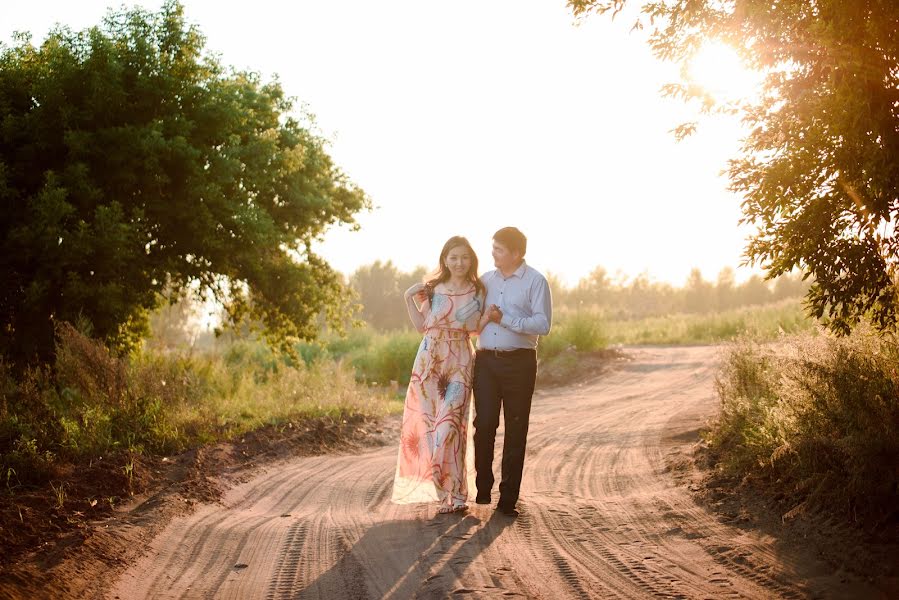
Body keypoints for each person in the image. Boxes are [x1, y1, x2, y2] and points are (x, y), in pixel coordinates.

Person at [391, 236, 491, 514]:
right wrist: (407, 298)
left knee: (450, 427)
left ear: (471, 260)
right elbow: (422, 326)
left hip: (459, 358)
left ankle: (456, 490)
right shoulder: (432, 289)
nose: (459, 263)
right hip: (428, 360)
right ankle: (447, 490)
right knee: (430, 426)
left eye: (465, 257)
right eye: (454, 257)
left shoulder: (478, 289)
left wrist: (488, 318)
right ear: (445, 259)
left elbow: (474, 328)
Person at [473, 227, 552, 516]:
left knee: (516, 429)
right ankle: (482, 487)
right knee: (483, 426)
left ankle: (508, 499)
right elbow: (471, 316)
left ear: (516, 253)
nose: (492, 253)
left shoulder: (536, 281)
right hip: (485, 363)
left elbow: (542, 324)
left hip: (520, 362)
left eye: (499, 249)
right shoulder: (485, 281)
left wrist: (504, 319)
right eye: (492, 247)